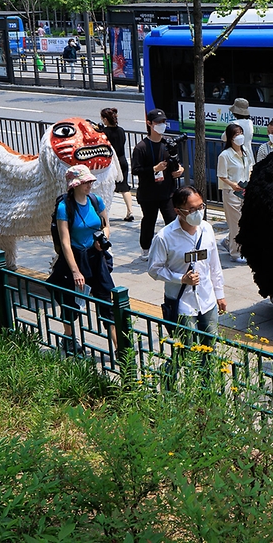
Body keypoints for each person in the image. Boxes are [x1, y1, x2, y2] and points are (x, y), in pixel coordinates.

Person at [148, 186, 226, 363]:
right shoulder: (164, 237)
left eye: (200, 207)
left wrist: (219, 294)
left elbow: (214, 264)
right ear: (178, 211)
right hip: (182, 304)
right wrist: (180, 278)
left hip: (207, 300)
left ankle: (207, 387)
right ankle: (171, 385)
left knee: (210, 350)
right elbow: (154, 269)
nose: (198, 212)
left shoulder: (207, 229)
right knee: (185, 353)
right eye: (191, 209)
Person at [47, 165, 115, 356]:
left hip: (96, 258)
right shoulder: (64, 207)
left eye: (90, 182)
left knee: (107, 301)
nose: (89, 185)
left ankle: (120, 351)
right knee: (70, 303)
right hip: (74, 260)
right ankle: (68, 339)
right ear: (74, 185)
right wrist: (76, 271)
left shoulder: (96, 200)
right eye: (85, 182)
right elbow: (65, 243)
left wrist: (104, 239)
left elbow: (106, 225)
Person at [131, 109, 184, 261]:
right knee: (149, 221)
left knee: (172, 220)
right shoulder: (141, 147)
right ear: (149, 124)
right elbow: (136, 169)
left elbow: (176, 162)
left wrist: (180, 169)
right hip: (148, 193)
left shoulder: (167, 143)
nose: (162, 125)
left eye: (163, 122)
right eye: (158, 122)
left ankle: (174, 247)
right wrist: (154, 169)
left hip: (167, 191)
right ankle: (146, 248)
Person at [218, 120, 254, 263]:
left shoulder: (244, 152)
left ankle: (239, 248)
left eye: (240, 133)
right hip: (231, 193)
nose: (239, 136)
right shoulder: (225, 155)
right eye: (236, 134)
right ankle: (235, 252)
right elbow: (221, 175)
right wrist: (232, 184)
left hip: (244, 192)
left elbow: (250, 167)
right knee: (235, 224)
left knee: (244, 222)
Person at [99, 107, 134, 222]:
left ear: (105, 119)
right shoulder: (121, 130)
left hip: (111, 162)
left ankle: (103, 214)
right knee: (124, 187)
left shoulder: (104, 133)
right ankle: (130, 211)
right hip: (122, 160)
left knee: (106, 187)